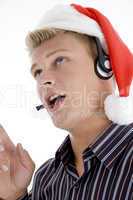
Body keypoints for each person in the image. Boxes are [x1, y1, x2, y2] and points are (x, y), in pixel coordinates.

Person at [0, 3, 133, 200]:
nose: (43, 79)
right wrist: (15, 195)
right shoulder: (45, 180)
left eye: (59, 60)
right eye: (37, 71)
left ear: (105, 66)